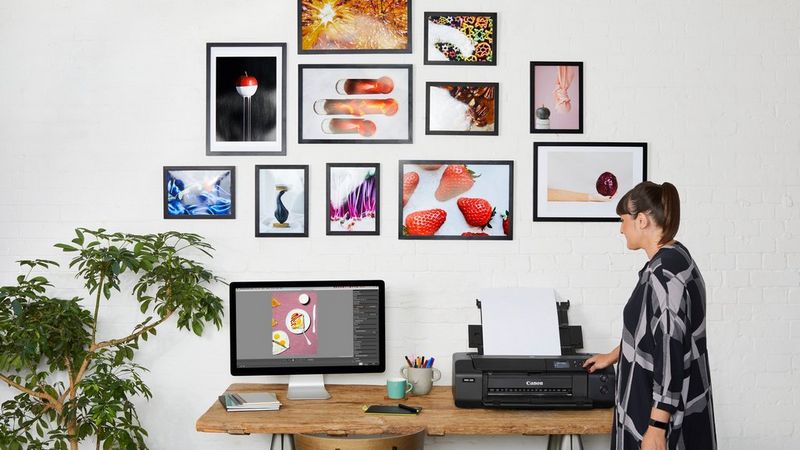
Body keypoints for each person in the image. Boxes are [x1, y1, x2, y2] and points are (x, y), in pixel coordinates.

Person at [583, 181, 717, 450]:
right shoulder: (676, 258)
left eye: (623, 220)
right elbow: (655, 329)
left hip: (658, 417)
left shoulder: (664, 276)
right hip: (666, 406)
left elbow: (671, 350)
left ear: (641, 220)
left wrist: (657, 426)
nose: (621, 229)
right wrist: (615, 354)